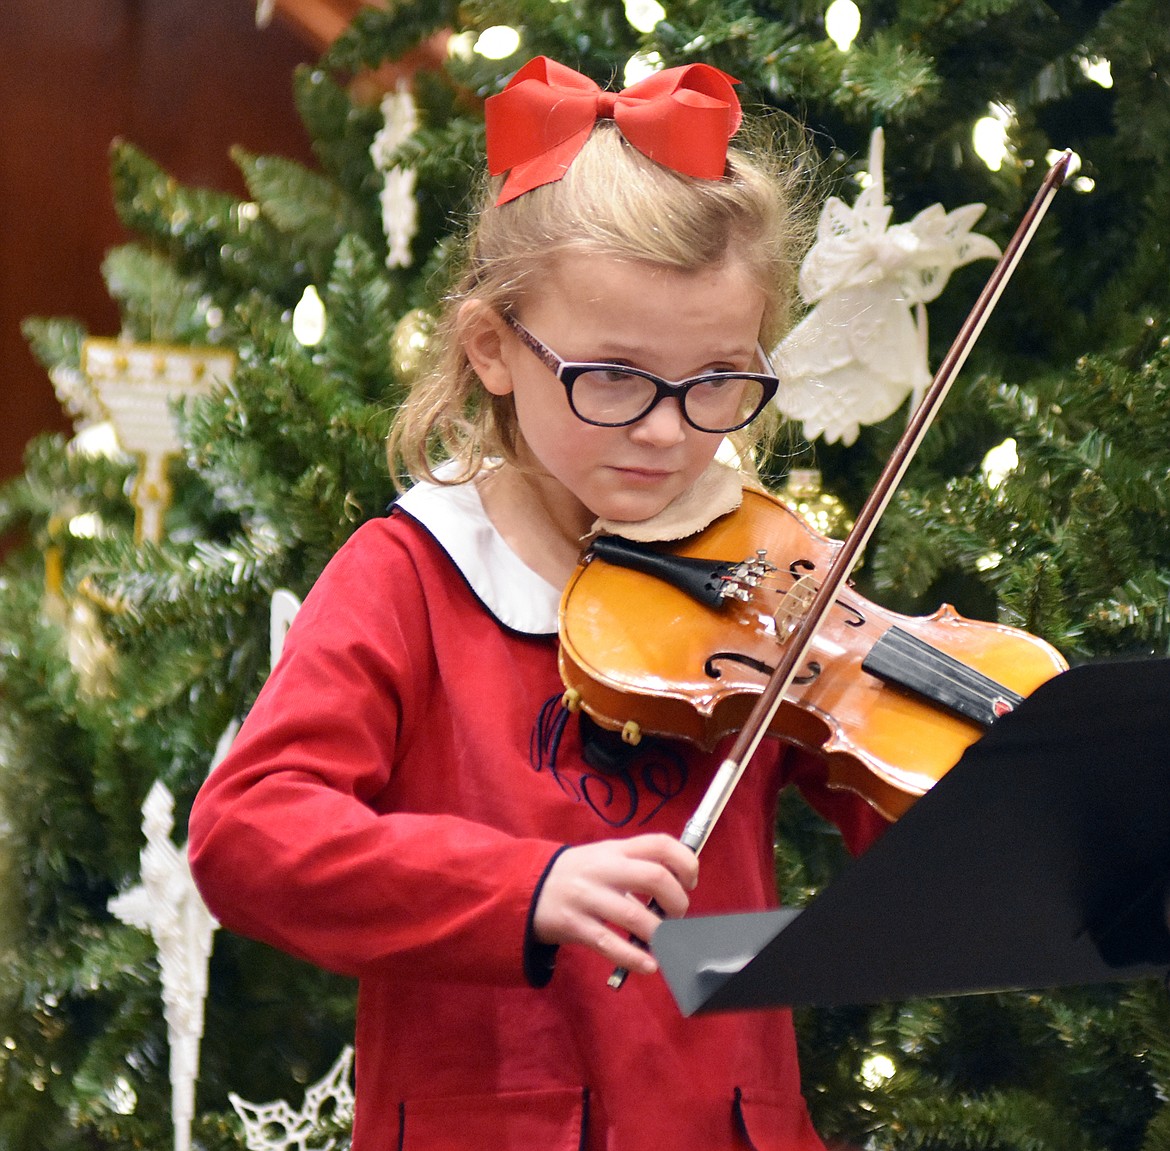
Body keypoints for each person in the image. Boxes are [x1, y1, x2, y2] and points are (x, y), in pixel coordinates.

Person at [188, 56, 887, 1151]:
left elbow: (889, 801)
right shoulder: (411, 573)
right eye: (613, 376)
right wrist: (525, 883)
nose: (669, 430)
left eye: (717, 379)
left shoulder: (759, 576)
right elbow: (247, 833)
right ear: (493, 350)